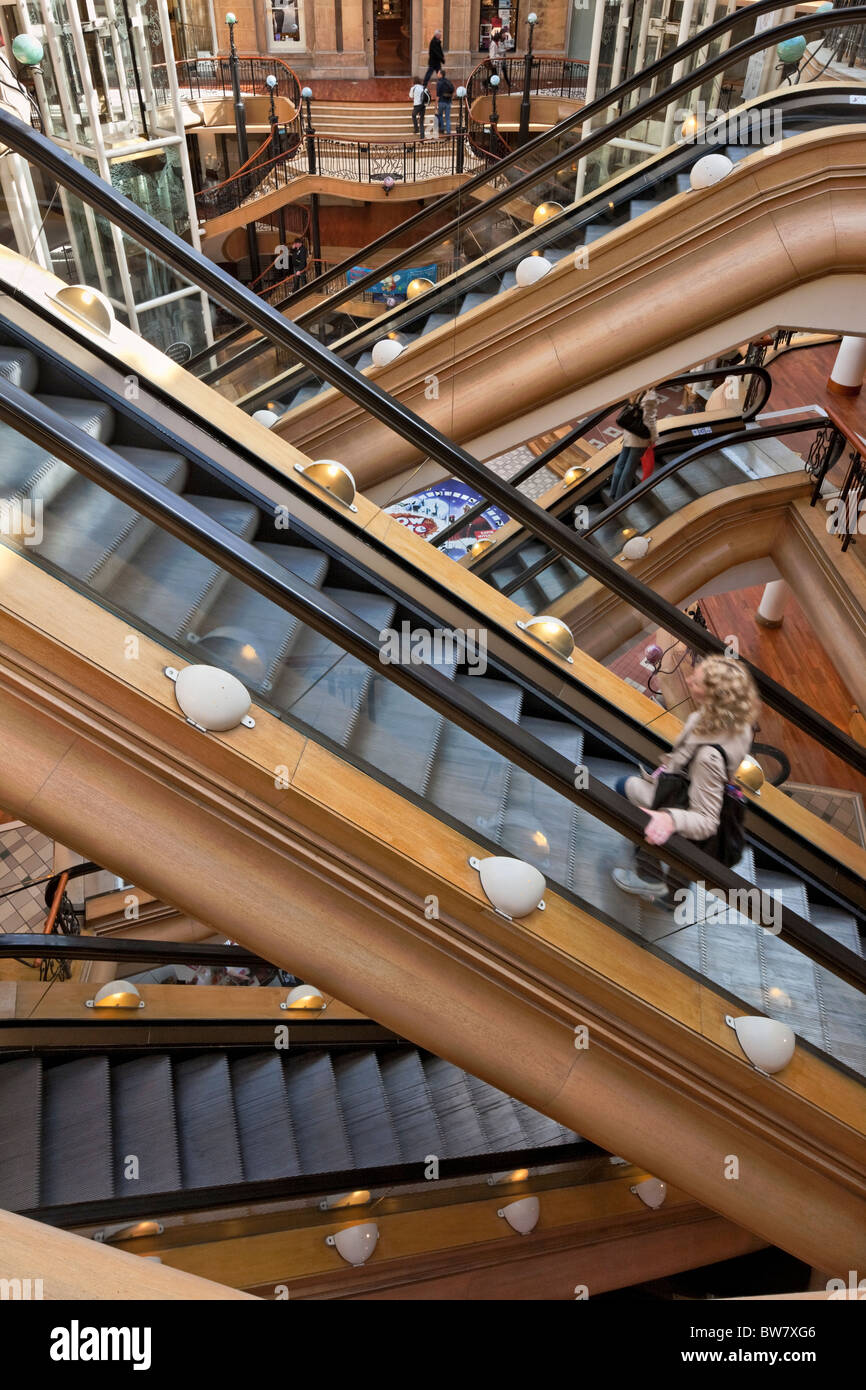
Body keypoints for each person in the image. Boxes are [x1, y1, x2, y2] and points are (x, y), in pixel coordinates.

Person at [612, 656, 759, 908]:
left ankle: (647, 875)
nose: (689, 680)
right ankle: (673, 897)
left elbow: (706, 821)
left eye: (698, 681)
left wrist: (669, 818)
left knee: (624, 787)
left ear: (715, 694)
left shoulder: (708, 757)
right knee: (689, 850)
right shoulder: (737, 720)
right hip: (691, 789)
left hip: (685, 803)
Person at [609, 388, 660, 501]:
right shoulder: (650, 396)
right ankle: (621, 498)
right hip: (639, 437)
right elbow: (649, 420)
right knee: (629, 468)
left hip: (629, 433)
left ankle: (613, 493)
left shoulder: (637, 390)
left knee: (621, 464)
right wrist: (654, 437)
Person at [436, 68, 455, 135]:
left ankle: (442, 128)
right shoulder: (448, 81)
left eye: (438, 73)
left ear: (441, 74)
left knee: (440, 115)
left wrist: (435, 105)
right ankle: (448, 132)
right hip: (448, 102)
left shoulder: (439, 83)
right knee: (447, 118)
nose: (437, 74)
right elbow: (452, 90)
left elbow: (438, 95)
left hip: (441, 101)